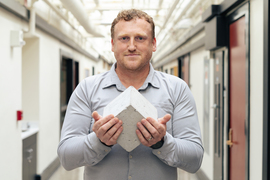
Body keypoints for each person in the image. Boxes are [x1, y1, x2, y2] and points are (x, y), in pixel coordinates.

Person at [58, 9, 203, 180]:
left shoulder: (177, 89)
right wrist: (99, 141)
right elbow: (66, 157)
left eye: (140, 38)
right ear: (112, 44)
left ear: (154, 44)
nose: (132, 46)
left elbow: (195, 159)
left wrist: (162, 142)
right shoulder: (87, 89)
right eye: (124, 38)